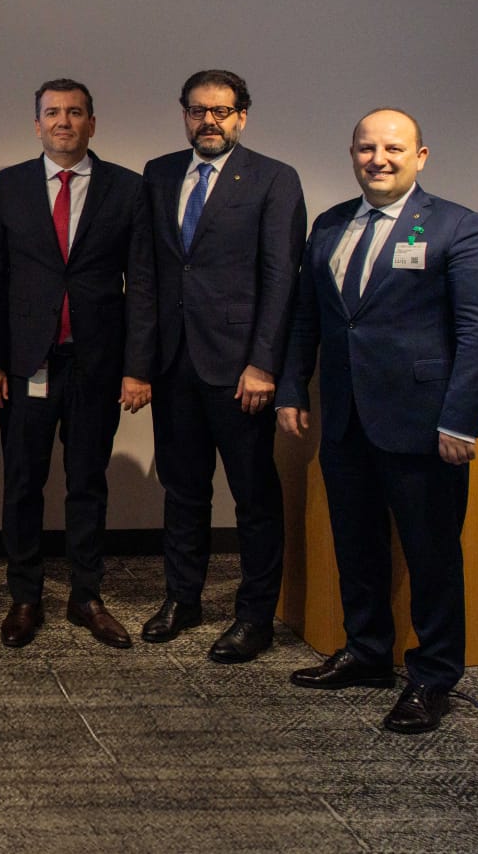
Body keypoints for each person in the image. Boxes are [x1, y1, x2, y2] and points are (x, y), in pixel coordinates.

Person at [279, 108, 478, 733]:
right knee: (356, 544)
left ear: (420, 156)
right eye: (366, 148)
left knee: (433, 556)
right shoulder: (329, 225)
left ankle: (433, 676)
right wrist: (293, 388)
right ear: (352, 154)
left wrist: (461, 421)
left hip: (424, 425)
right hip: (345, 419)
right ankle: (368, 652)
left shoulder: (459, 225)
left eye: (393, 148)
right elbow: (308, 318)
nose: (378, 159)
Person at [132, 69, 304, 664]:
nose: (209, 120)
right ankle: (183, 599)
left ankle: (255, 616)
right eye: (198, 110)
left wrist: (264, 364)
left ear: (242, 117)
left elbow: (281, 280)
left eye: (222, 111)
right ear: (184, 114)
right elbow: (147, 275)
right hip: (173, 363)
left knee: (253, 498)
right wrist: (140, 363)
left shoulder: (274, 178)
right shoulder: (158, 174)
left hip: (239, 371)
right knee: (182, 491)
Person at [0, 80, 150, 651]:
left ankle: (86, 596)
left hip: (96, 363)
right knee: (23, 483)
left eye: (75, 112)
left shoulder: (127, 188)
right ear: (37, 125)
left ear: (92, 124)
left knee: (88, 482)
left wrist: (137, 367)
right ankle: (25, 596)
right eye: (52, 113)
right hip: (26, 362)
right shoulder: (8, 185)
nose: (63, 122)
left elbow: (141, 284)